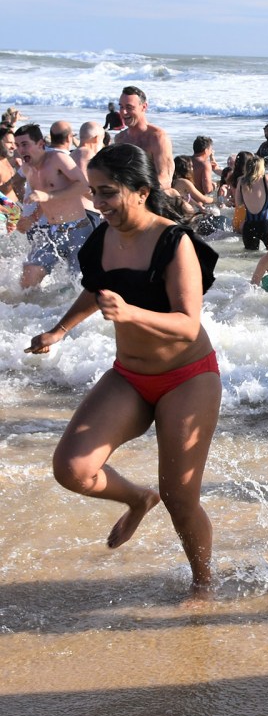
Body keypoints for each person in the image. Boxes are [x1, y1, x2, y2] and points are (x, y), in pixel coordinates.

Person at [24, 144, 222, 596]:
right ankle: (137, 498)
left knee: (181, 498)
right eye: (94, 192)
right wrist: (58, 331)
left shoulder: (175, 242)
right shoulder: (102, 237)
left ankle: (203, 586)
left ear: (140, 191)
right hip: (130, 376)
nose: (99, 204)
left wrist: (131, 314)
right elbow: (96, 291)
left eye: (108, 193)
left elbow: (188, 324)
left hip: (187, 377)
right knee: (72, 469)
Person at [13, 123, 100, 289]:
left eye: (25, 144)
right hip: (51, 231)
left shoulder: (58, 159)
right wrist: (31, 218)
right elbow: (44, 200)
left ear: (40, 144)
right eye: (17, 146)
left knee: (80, 287)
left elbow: (83, 186)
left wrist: (47, 196)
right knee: (27, 279)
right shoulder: (27, 167)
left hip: (78, 230)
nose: (20, 150)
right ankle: (28, 314)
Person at [117, 86, 174, 191]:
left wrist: (136, 194)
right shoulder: (120, 139)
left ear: (144, 107)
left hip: (151, 195)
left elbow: (165, 179)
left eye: (129, 107)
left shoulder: (157, 138)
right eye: (121, 107)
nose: (123, 112)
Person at [235, 155, 268, 251]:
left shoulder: (241, 181)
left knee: (249, 258)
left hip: (248, 227)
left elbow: (238, 203)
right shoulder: (267, 178)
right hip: (265, 226)